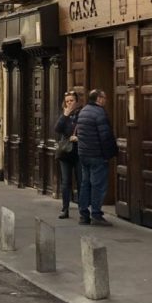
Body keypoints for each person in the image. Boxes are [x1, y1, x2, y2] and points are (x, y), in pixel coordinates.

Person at [75, 88, 117, 226]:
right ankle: (96, 214)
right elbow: (105, 136)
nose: (105, 100)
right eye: (104, 97)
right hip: (97, 155)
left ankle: (83, 214)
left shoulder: (83, 111)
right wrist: (109, 154)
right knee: (98, 185)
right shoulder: (99, 113)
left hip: (84, 154)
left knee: (85, 183)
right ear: (98, 98)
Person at [54, 89, 82, 220]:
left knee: (81, 181)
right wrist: (65, 115)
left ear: (77, 101)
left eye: (72, 101)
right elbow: (57, 129)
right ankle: (65, 209)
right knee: (66, 182)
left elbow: (87, 130)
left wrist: (79, 138)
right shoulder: (64, 115)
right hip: (65, 152)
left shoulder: (81, 113)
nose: (69, 103)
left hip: (78, 151)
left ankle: (83, 209)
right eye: (67, 101)